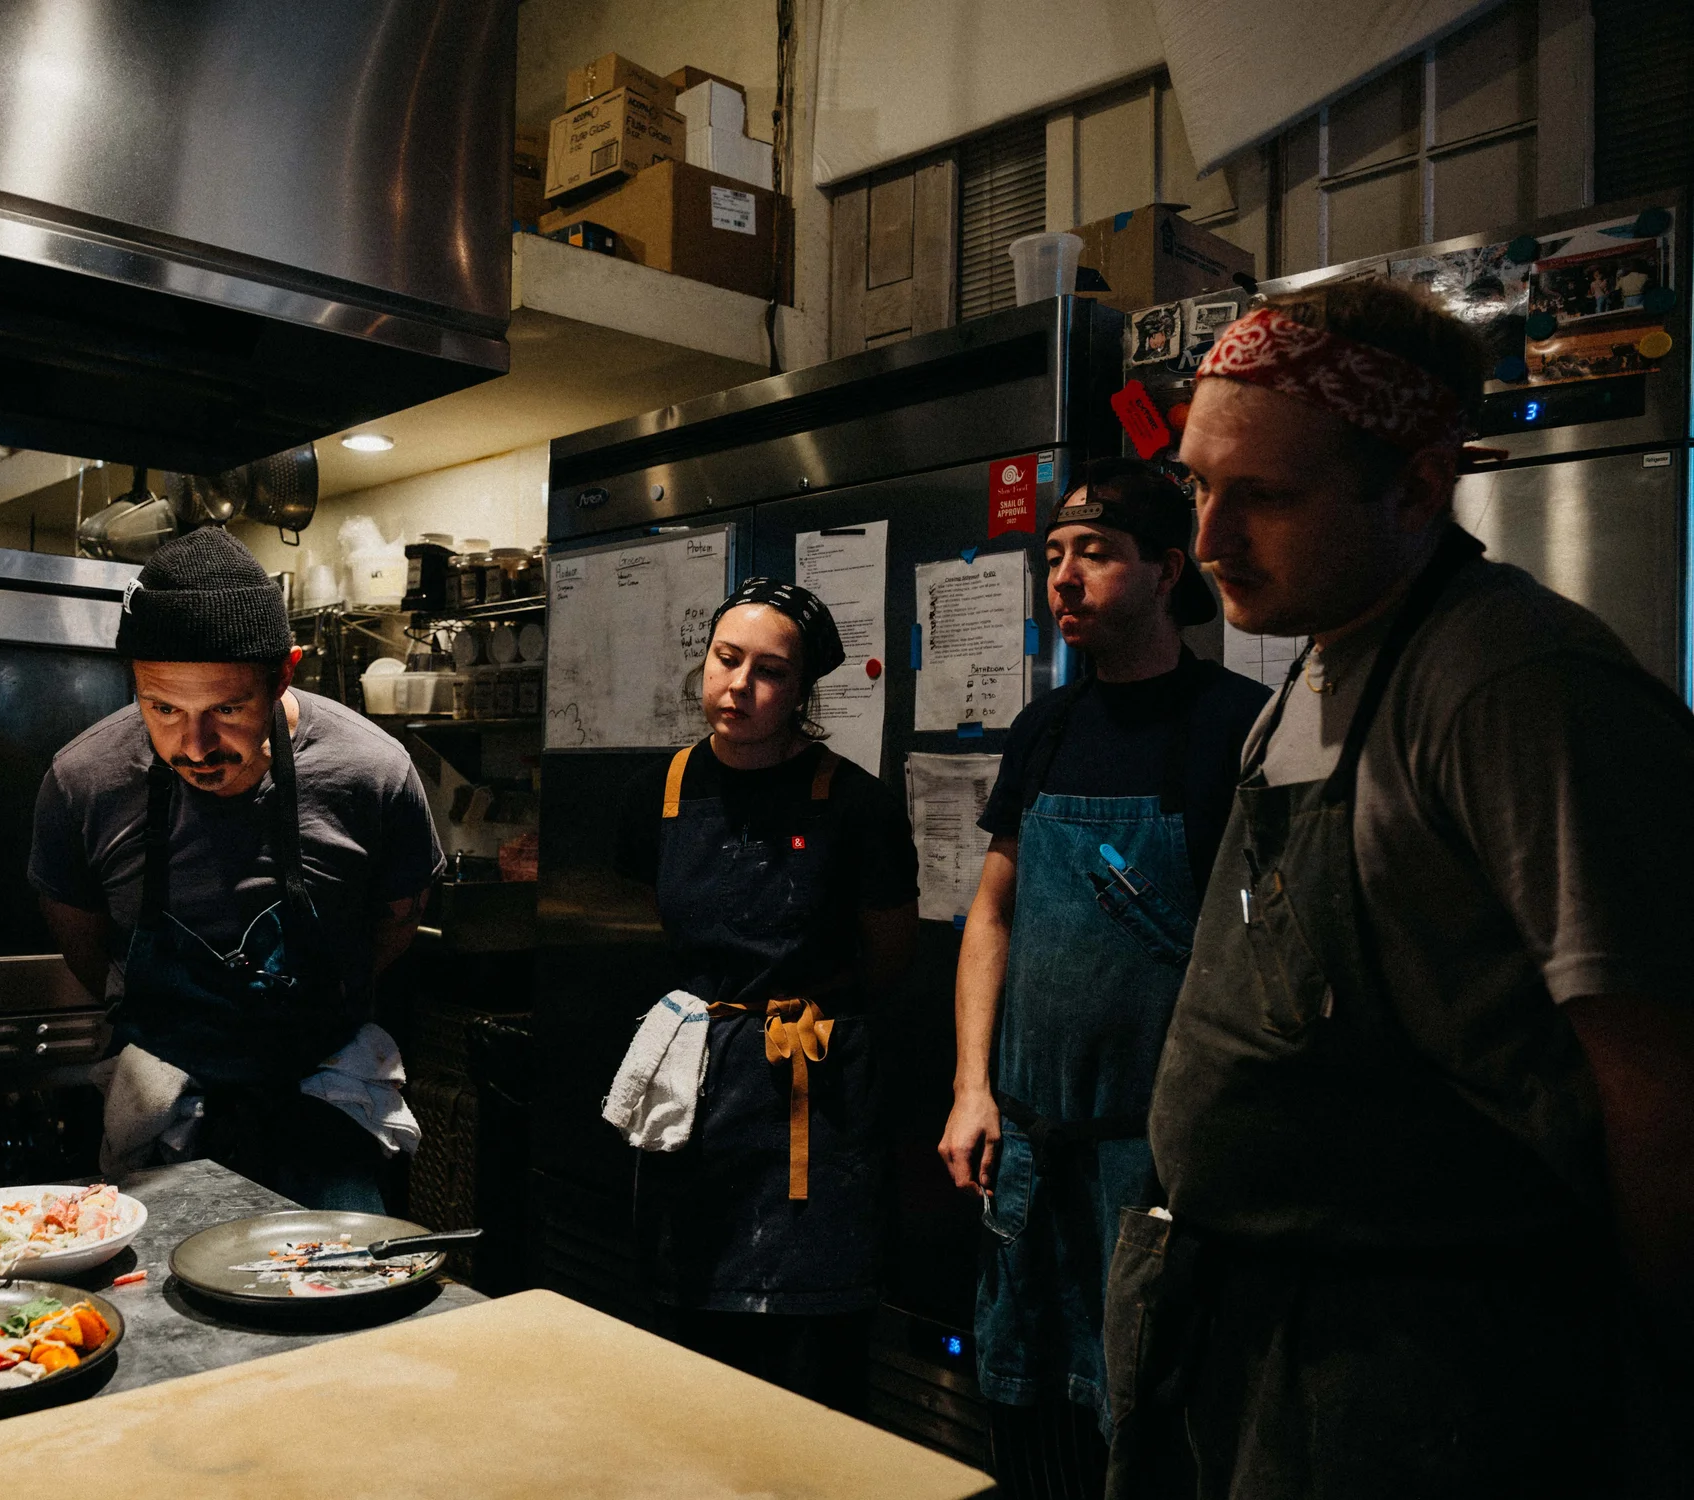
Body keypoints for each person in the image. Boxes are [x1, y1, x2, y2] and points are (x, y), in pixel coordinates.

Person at [1108, 282, 1694, 1497]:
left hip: (1437, 1387)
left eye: (1262, 496)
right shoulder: (1306, 681)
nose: (1208, 540)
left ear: (1419, 488)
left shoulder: (1514, 688)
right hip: (1263, 1350)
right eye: (1199, 486)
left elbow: (1661, 1082)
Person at [936, 461, 1268, 1495]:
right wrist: (972, 1086)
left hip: (1159, 1166)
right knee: (1029, 1408)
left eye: (1094, 554)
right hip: (1030, 1151)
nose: (1064, 579)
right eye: (1053, 557)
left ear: (1167, 571)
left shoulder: (1238, 726)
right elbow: (991, 912)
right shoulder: (1047, 730)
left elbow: (1264, 952)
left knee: (1150, 1420)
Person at [30, 527, 441, 1212]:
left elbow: (395, 925)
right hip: (160, 1112)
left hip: (324, 1105)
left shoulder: (371, 772)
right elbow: (82, 940)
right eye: (162, 708)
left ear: (285, 672)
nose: (194, 745)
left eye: (227, 709)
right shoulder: (84, 780)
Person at [614, 580, 919, 1413]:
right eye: (726, 658)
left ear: (802, 691)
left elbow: (890, 954)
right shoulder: (659, 794)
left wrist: (798, 1019)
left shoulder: (856, 804)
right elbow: (650, 930)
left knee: (813, 1356)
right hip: (695, 1091)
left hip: (812, 1097)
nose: (739, 686)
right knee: (690, 1339)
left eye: (770, 672)